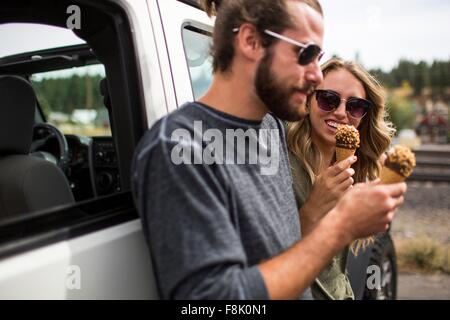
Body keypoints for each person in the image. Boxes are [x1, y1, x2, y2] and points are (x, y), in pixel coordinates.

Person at [132, 0, 406, 300]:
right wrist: (341, 226)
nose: (316, 75)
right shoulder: (179, 147)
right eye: (306, 54)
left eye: (319, 57)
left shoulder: (271, 130)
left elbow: (284, 254)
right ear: (250, 41)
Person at [287, 58, 396, 299]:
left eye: (355, 106)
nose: (340, 112)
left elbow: (336, 267)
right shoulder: (279, 161)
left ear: (365, 115)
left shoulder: (358, 170)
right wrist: (314, 207)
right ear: (308, 99)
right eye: (328, 99)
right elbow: (267, 256)